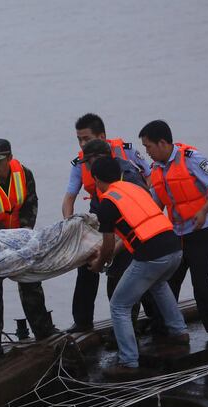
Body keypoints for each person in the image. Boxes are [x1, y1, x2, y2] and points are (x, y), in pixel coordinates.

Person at [88, 157, 189, 378]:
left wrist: (98, 263)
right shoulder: (134, 189)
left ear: (96, 179)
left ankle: (128, 362)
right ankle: (180, 332)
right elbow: (131, 235)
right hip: (175, 249)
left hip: (152, 257)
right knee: (159, 284)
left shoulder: (107, 203)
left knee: (119, 305)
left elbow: (106, 245)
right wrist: (109, 254)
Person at [139, 120, 208, 346]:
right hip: (177, 234)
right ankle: (163, 331)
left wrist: (203, 210)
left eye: (149, 146)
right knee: (166, 282)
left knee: (201, 284)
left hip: (203, 230)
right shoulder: (156, 168)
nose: (147, 152)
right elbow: (158, 201)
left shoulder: (191, 158)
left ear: (162, 143)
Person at [62, 113, 150, 331]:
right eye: (79, 140)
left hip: (128, 215)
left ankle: (128, 326)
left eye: (86, 138)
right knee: (86, 263)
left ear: (101, 136)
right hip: (102, 211)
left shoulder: (126, 154)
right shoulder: (80, 161)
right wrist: (70, 225)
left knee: (122, 271)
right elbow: (69, 197)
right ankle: (82, 322)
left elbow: (150, 177)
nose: (83, 144)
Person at [0, 138, 58, 354]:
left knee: (31, 281)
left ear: (9, 158)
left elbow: (31, 205)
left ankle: (42, 329)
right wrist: (6, 243)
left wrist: (25, 236)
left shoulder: (25, 174)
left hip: (20, 236)